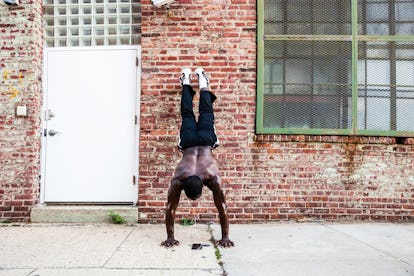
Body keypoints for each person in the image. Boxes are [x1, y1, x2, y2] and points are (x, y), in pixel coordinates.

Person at [161, 68, 234, 248]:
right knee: (187, 113)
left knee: (207, 112)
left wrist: (170, 237)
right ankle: (186, 78)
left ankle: (202, 80)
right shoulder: (185, 176)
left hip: (206, 141)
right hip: (187, 142)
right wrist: (224, 238)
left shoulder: (185, 178)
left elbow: (171, 208)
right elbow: (222, 207)